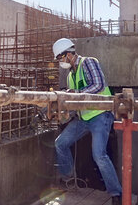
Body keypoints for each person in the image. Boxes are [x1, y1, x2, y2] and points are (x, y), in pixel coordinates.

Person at [52, 38, 122, 204]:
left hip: (100, 115)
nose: (60, 61)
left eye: (60, 58)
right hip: (83, 118)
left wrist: (75, 92)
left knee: (99, 155)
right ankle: (68, 179)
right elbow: (77, 102)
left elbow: (98, 85)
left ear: (69, 54)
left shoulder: (89, 62)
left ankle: (116, 194)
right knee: (60, 143)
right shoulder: (70, 76)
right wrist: (67, 114)